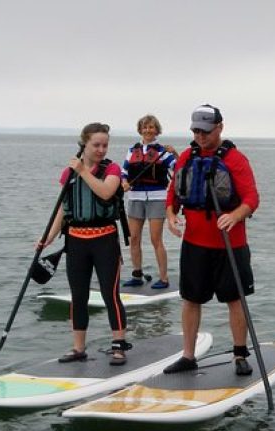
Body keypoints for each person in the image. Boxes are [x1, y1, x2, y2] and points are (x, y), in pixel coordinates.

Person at [163, 104, 260, 376]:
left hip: (231, 245)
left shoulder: (236, 160)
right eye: (195, 131)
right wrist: (171, 217)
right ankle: (188, 356)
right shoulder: (185, 157)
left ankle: (240, 354)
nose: (200, 136)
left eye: (205, 131)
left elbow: (252, 199)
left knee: (235, 300)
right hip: (194, 243)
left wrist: (236, 215)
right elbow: (172, 196)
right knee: (190, 300)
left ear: (219, 127)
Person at [40, 122, 129, 366]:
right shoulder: (68, 174)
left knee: (109, 294)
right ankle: (78, 348)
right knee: (78, 295)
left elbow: (106, 193)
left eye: (105, 145)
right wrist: (48, 236)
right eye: (96, 145)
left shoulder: (112, 169)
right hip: (76, 241)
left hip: (105, 240)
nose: (101, 149)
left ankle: (119, 345)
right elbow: (63, 207)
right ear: (85, 145)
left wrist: (83, 171)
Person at [121, 114, 178, 288]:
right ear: (140, 130)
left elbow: (179, 169)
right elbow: (124, 171)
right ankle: (137, 274)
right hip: (135, 197)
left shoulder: (163, 152)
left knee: (155, 239)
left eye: (151, 127)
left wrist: (174, 152)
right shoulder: (132, 150)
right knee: (135, 238)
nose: (148, 130)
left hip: (157, 198)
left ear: (157, 130)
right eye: (145, 127)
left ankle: (164, 278)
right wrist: (124, 182)